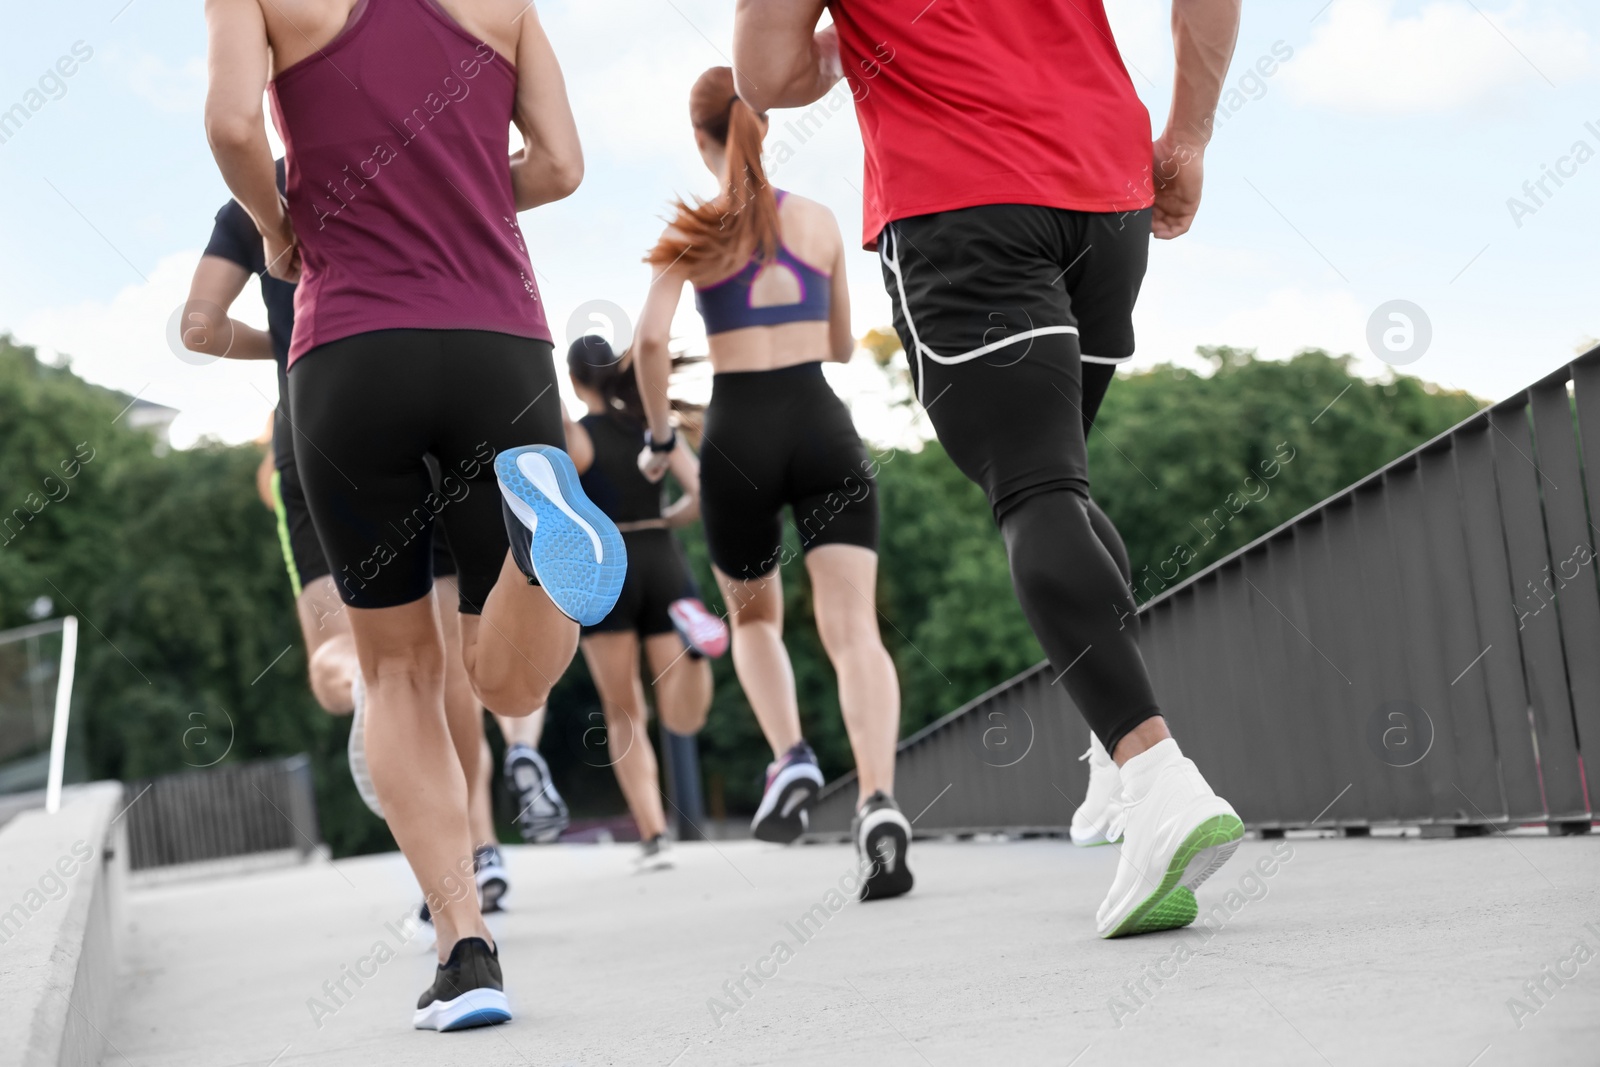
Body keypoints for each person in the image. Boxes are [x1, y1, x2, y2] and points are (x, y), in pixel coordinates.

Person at [731, 0, 1246, 937]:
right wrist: (1192, 137)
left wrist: (865, 37)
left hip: (962, 200)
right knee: (1061, 483)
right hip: (1105, 191)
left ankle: (1156, 772)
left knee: (1036, 490)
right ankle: (1116, 763)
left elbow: (766, 75)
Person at [205, 0, 618, 1031]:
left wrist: (281, 227)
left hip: (350, 355)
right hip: (501, 344)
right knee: (511, 676)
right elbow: (563, 165)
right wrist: (468, 189)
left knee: (396, 672)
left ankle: (465, 951)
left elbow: (230, 125)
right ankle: (531, 550)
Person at [183, 170, 555, 915]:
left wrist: (288, 340)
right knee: (447, 659)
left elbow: (198, 326)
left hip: (319, 413)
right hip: (437, 391)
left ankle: (361, 689)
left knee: (362, 657)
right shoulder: (404, 167)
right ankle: (481, 846)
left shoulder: (251, 203)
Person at [633, 67, 911, 901]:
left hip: (738, 439)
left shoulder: (696, 229)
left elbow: (648, 343)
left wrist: (655, 439)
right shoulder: (821, 220)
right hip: (822, 426)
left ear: (701, 138)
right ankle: (878, 801)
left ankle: (790, 755)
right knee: (853, 630)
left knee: (754, 621)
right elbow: (838, 346)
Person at [564, 335, 723, 868]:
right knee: (680, 713)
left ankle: (654, 835)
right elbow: (701, 492)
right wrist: (668, 518)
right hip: (663, 558)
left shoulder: (579, 438)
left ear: (574, 380)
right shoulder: (653, 428)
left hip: (608, 569)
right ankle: (696, 650)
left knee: (624, 711)